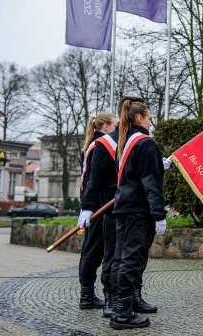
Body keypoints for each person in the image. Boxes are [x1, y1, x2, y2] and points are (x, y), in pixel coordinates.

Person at [79, 96, 161, 318]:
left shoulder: (132, 140)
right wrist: (87, 206)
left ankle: (132, 296)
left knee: (136, 256)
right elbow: (93, 180)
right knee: (114, 256)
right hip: (111, 208)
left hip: (129, 205)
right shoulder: (105, 143)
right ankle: (112, 299)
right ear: (135, 116)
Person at [109, 100, 167, 330]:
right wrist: (158, 213)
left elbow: (133, 174)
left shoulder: (126, 142)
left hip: (124, 208)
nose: (151, 122)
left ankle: (125, 303)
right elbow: (150, 183)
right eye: (149, 117)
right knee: (131, 261)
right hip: (137, 211)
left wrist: (159, 165)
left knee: (123, 259)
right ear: (139, 118)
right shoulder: (145, 143)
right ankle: (122, 314)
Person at [77, 112, 118, 310]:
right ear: (105, 127)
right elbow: (93, 180)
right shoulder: (101, 145)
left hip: (100, 204)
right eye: (115, 125)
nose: (117, 129)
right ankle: (87, 295)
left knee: (95, 250)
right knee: (92, 250)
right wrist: (87, 207)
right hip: (97, 206)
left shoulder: (99, 143)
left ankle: (88, 294)